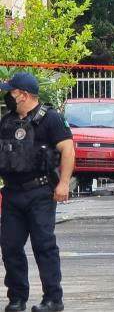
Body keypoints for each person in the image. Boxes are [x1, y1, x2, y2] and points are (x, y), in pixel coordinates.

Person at [0, 73, 75, 312]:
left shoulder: (51, 119)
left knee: (44, 245)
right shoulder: (7, 121)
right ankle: (17, 298)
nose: (7, 96)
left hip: (40, 192)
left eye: (10, 92)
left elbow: (68, 150)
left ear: (24, 94)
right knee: (10, 246)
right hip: (12, 193)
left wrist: (63, 183)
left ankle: (53, 299)